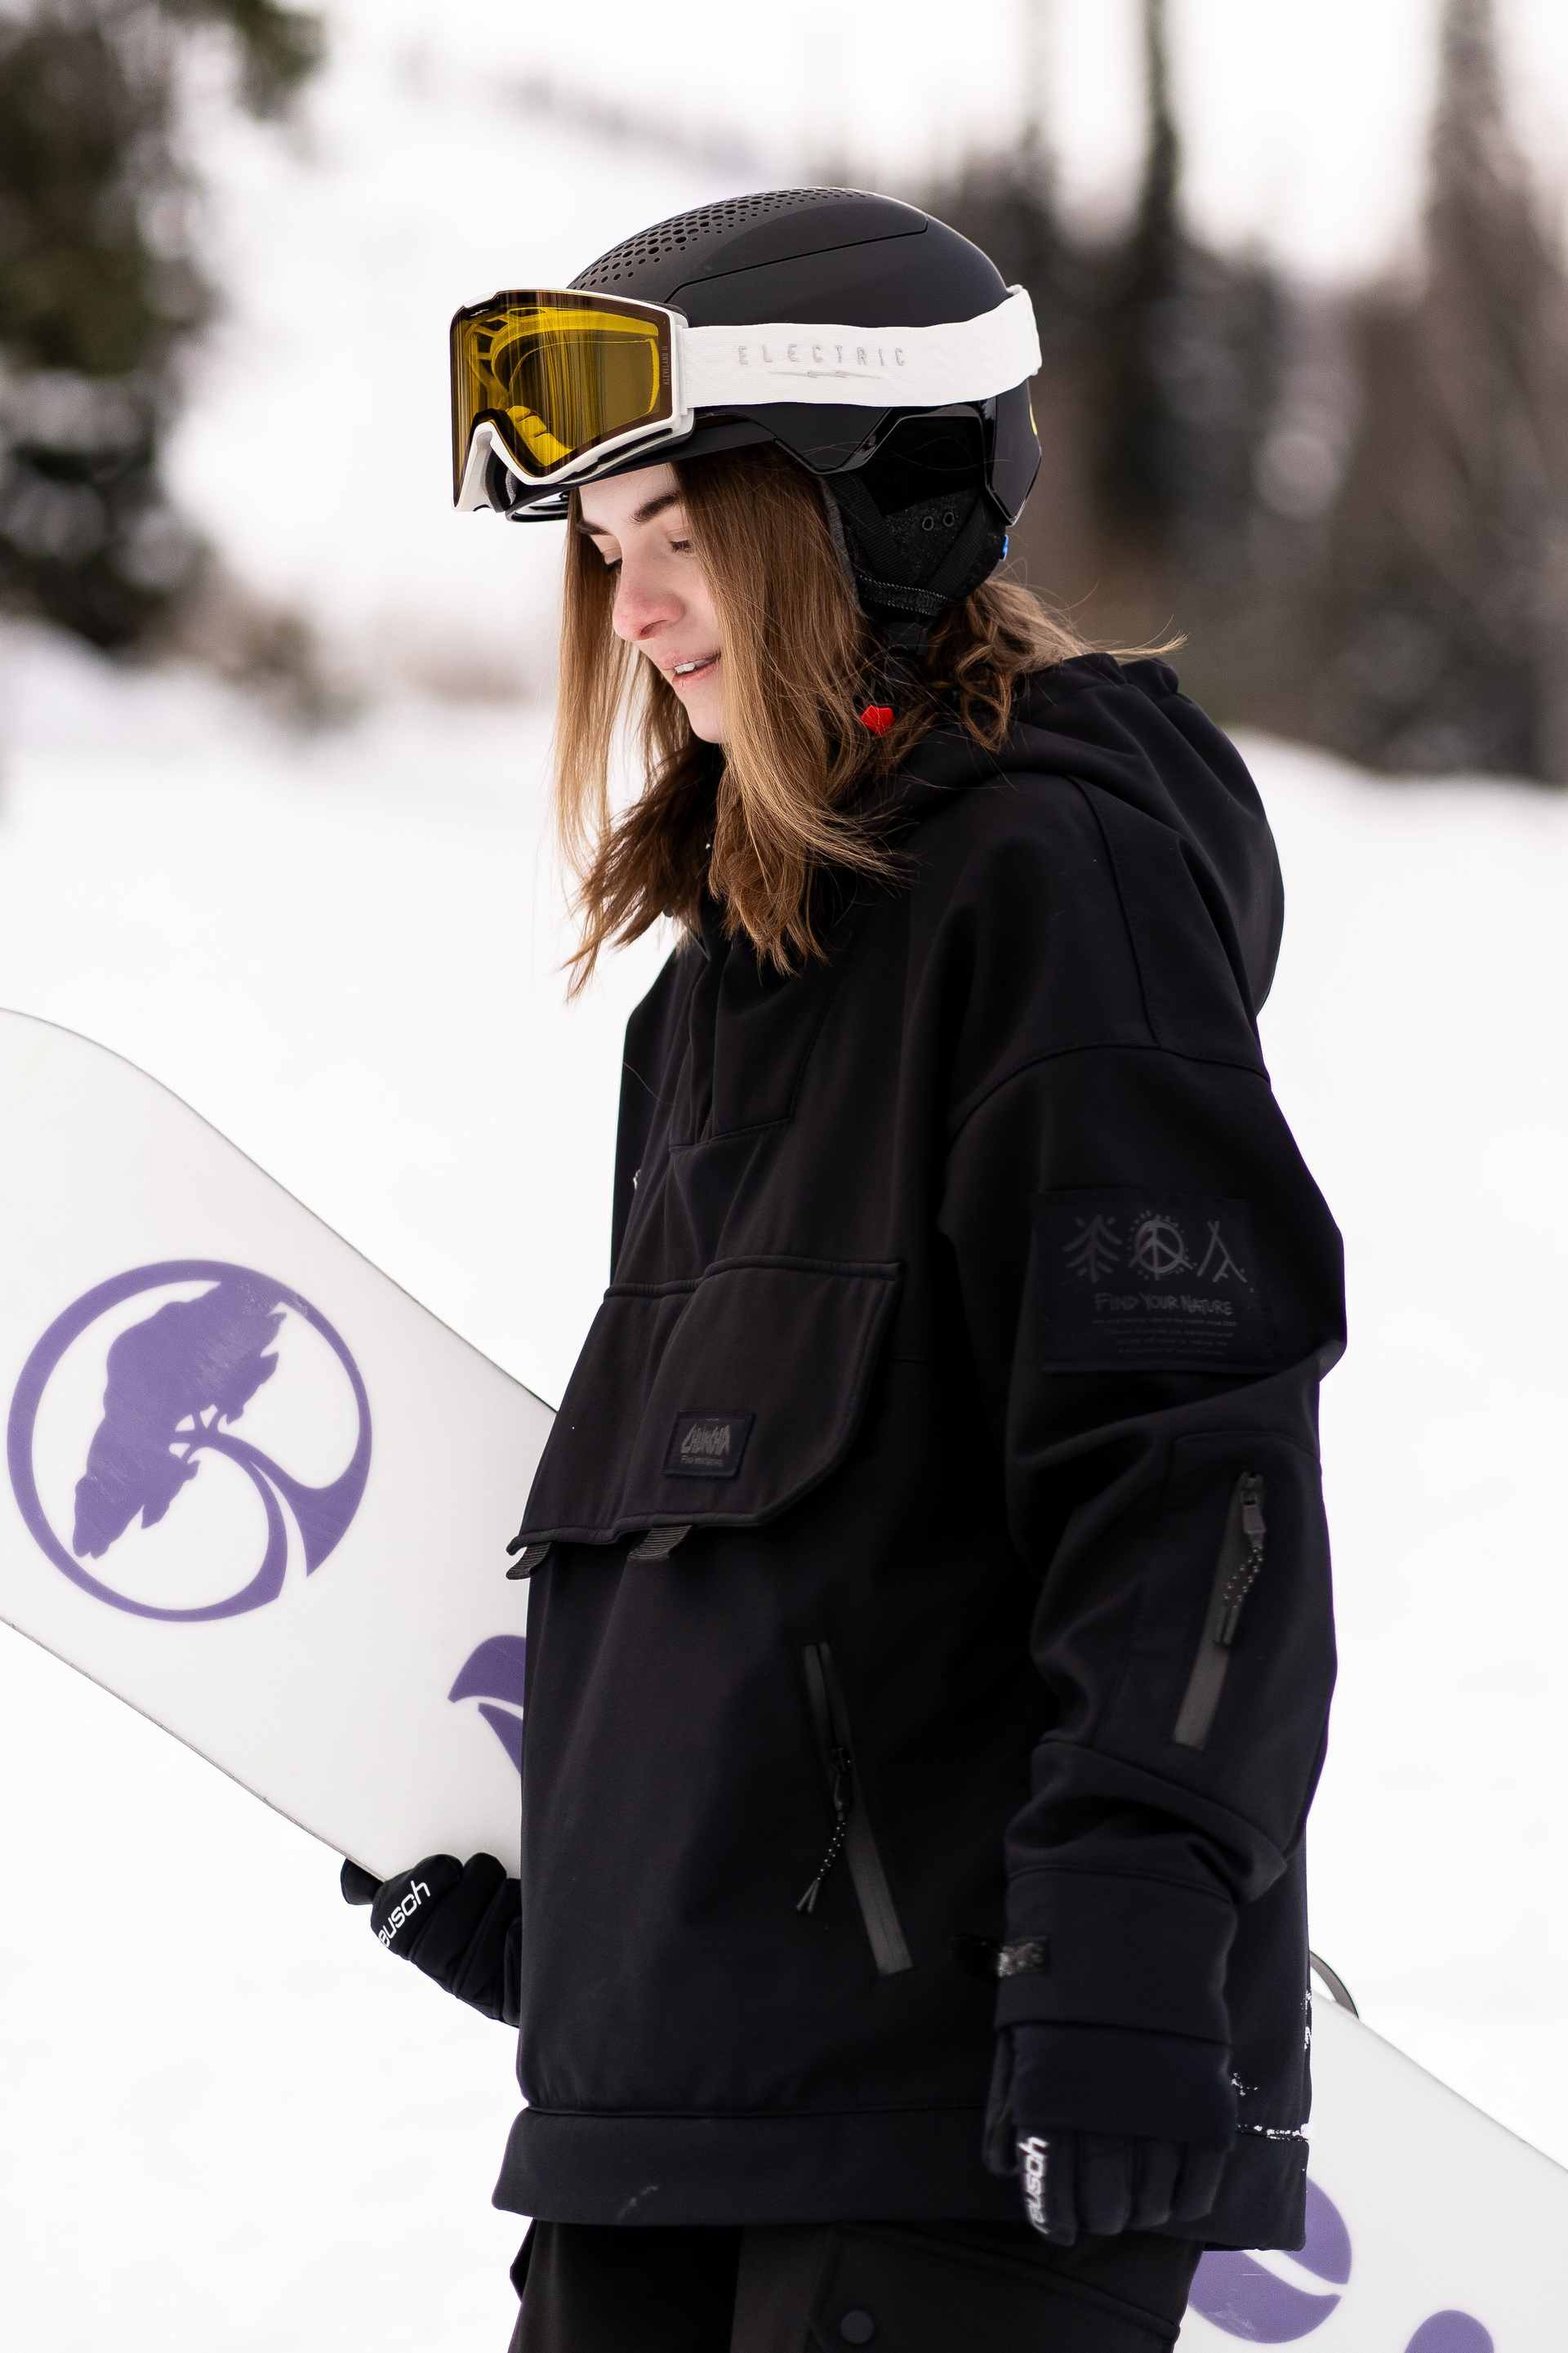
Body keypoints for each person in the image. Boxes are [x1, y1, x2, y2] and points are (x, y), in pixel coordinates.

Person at [342, 189, 1345, 2352]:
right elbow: (774, 1562)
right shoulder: (730, 975)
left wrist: (1134, 1945)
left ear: (863, 507)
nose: (632, 611)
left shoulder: (1053, 888)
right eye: (601, 550)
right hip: (684, 2121)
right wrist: (597, 1934)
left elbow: (1189, 1466)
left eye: (675, 532)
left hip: (953, 2136)